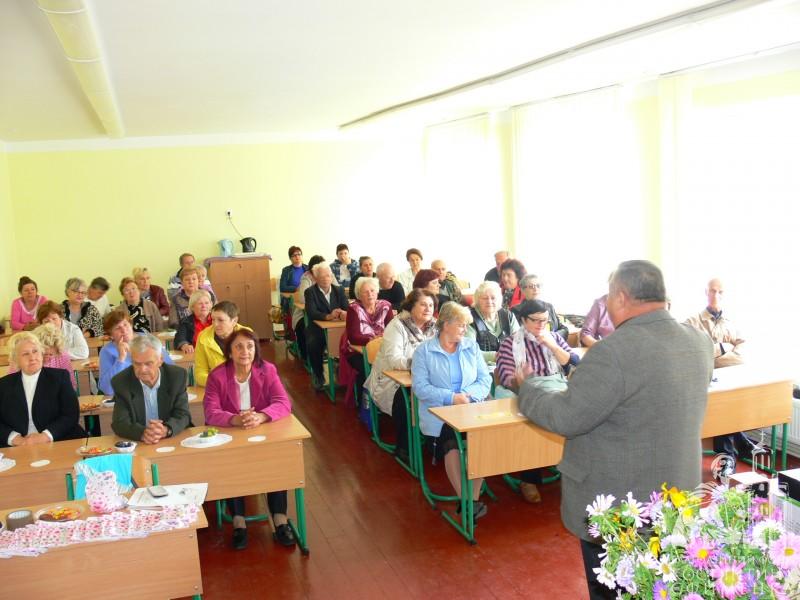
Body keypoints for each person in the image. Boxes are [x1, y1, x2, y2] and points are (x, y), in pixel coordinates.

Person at [517, 260, 714, 600]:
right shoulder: (699, 342)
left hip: (619, 508)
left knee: (613, 590)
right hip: (677, 497)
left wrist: (528, 389)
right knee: (663, 588)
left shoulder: (612, 352)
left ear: (621, 297)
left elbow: (566, 416)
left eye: (608, 296)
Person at [204, 328, 296, 549]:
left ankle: (280, 518)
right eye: (238, 347)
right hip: (232, 434)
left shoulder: (268, 370)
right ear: (229, 352)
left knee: (275, 458)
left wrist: (261, 416)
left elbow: (284, 402)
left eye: (250, 346)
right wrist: (236, 419)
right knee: (231, 464)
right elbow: (210, 412)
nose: (245, 352)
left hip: (261, 432)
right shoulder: (217, 375)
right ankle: (239, 522)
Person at [412, 302, 492, 521]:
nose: (465, 330)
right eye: (461, 325)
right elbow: (420, 388)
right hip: (440, 413)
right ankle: (468, 501)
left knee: (486, 440)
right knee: (451, 440)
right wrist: (451, 397)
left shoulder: (470, 346)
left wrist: (467, 396)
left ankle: (469, 502)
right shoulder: (424, 351)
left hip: (470, 407)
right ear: (446, 324)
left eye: (466, 325)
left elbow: (485, 380)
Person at [496, 299, 581, 504]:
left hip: (557, 388)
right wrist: (520, 381)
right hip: (530, 392)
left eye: (545, 320)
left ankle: (571, 468)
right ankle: (529, 479)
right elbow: (507, 379)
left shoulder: (554, 338)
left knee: (579, 414)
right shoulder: (510, 344)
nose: (541, 325)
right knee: (530, 424)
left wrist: (552, 345)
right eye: (536, 320)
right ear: (523, 320)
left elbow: (575, 365)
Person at [685, 277, 748, 474]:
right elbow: (691, 352)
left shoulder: (732, 321)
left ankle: (736, 449)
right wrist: (722, 348)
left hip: (729, 380)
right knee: (723, 409)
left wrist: (714, 356)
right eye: (712, 291)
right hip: (703, 382)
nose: (716, 295)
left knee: (730, 406)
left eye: (720, 292)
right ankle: (736, 449)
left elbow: (741, 355)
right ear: (706, 292)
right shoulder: (692, 321)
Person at [365, 289, 437, 463]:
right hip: (390, 379)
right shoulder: (397, 325)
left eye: (431, 305)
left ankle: (435, 441)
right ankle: (403, 446)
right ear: (411, 306)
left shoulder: (435, 325)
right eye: (423, 304)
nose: (428, 309)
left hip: (423, 377)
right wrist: (421, 365)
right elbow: (394, 359)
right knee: (405, 399)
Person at [0, 331, 85, 447]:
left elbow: (70, 415)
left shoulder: (59, 377)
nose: (32, 358)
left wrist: (45, 436)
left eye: (35, 351)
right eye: (25, 354)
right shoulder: (4, 385)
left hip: (58, 440)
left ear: (41, 353)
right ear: (16, 359)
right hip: (19, 446)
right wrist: (14, 438)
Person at [110, 333, 191, 443]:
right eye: (137, 364)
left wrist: (166, 430)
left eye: (148, 363)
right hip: (141, 444)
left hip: (172, 439)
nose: (142, 369)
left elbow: (183, 415)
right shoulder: (121, 382)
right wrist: (143, 433)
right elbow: (120, 423)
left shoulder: (176, 376)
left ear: (160, 360)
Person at [340, 277, 393, 408]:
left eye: (372, 290)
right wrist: (372, 340)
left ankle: (385, 402)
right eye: (365, 292)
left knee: (391, 370)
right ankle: (364, 404)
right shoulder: (354, 308)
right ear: (359, 294)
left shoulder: (385, 306)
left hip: (381, 350)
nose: (370, 294)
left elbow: (392, 331)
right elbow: (353, 337)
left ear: (377, 291)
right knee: (367, 369)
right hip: (356, 351)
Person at [98, 310, 173, 395]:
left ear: (131, 325)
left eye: (125, 325)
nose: (123, 330)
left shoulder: (148, 340)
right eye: (117, 328)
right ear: (111, 335)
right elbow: (108, 389)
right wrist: (121, 359)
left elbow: (171, 370)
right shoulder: (106, 351)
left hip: (155, 390)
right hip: (126, 395)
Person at [304, 262, 349, 391]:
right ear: (316, 278)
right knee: (313, 344)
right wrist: (328, 316)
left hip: (338, 327)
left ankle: (341, 371)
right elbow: (311, 312)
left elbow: (347, 308)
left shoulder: (339, 290)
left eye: (328, 276)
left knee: (348, 342)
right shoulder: (310, 292)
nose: (326, 279)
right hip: (317, 328)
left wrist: (344, 313)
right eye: (322, 276)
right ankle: (318, 375)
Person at [194, 300, 252, 387]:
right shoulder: (203, 337)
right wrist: (220, 382)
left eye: (220, 320)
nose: (215, 324)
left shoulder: (247, 335)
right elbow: (200, 373)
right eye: (213, 320)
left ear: (234, 321)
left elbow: (255, 368)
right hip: (217, 388)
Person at [465, 281, 519, 367]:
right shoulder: (469, 318)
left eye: (493, 298)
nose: (489, 301)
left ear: (499, 299)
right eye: (485, 298)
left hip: (508, 365)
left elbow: (519, 342)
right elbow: (469, 351)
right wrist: (497, 356)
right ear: (477, 300)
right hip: (479, 367)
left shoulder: (509, 316)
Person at [9, 323, 77, 389]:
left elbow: (71, 384)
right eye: (44, 354)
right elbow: (12, 385)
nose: (48, 358)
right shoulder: (21, 358)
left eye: (51, 354)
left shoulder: (63, 356)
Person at [291, 254, 325, 363]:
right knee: (306, 327)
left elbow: (336, 290)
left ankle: (326, 352)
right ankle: (306, 355)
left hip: (322, 314)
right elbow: (302, 298)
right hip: (303, 315)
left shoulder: (328, 275)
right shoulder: (306, 277)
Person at [514, 274, 569, 340]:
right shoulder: (515, 310)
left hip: (552, 344)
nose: (535, 289)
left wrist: (551, 336)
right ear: (522, 290)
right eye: (531, 286)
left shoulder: (549, 307)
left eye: (538, 286)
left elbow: (564, 329)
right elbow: (518, 334)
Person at [174, 290, 213, 354]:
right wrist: (185, 345)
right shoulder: (186, 322)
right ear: (192, 306)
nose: (204, 306)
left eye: (206, 303)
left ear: (211, 305)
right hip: (195, 355)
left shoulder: (216, 320)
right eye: (200, 303)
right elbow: (179, 338)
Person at [279, 246, 308, 314]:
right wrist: (296, 288)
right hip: (292, 299)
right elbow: (282, 287)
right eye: (294, 255)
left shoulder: (308, 268)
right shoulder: (286, 270)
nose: (297, 257)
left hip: (306, 297)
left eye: (299, 254)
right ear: (290, 258)